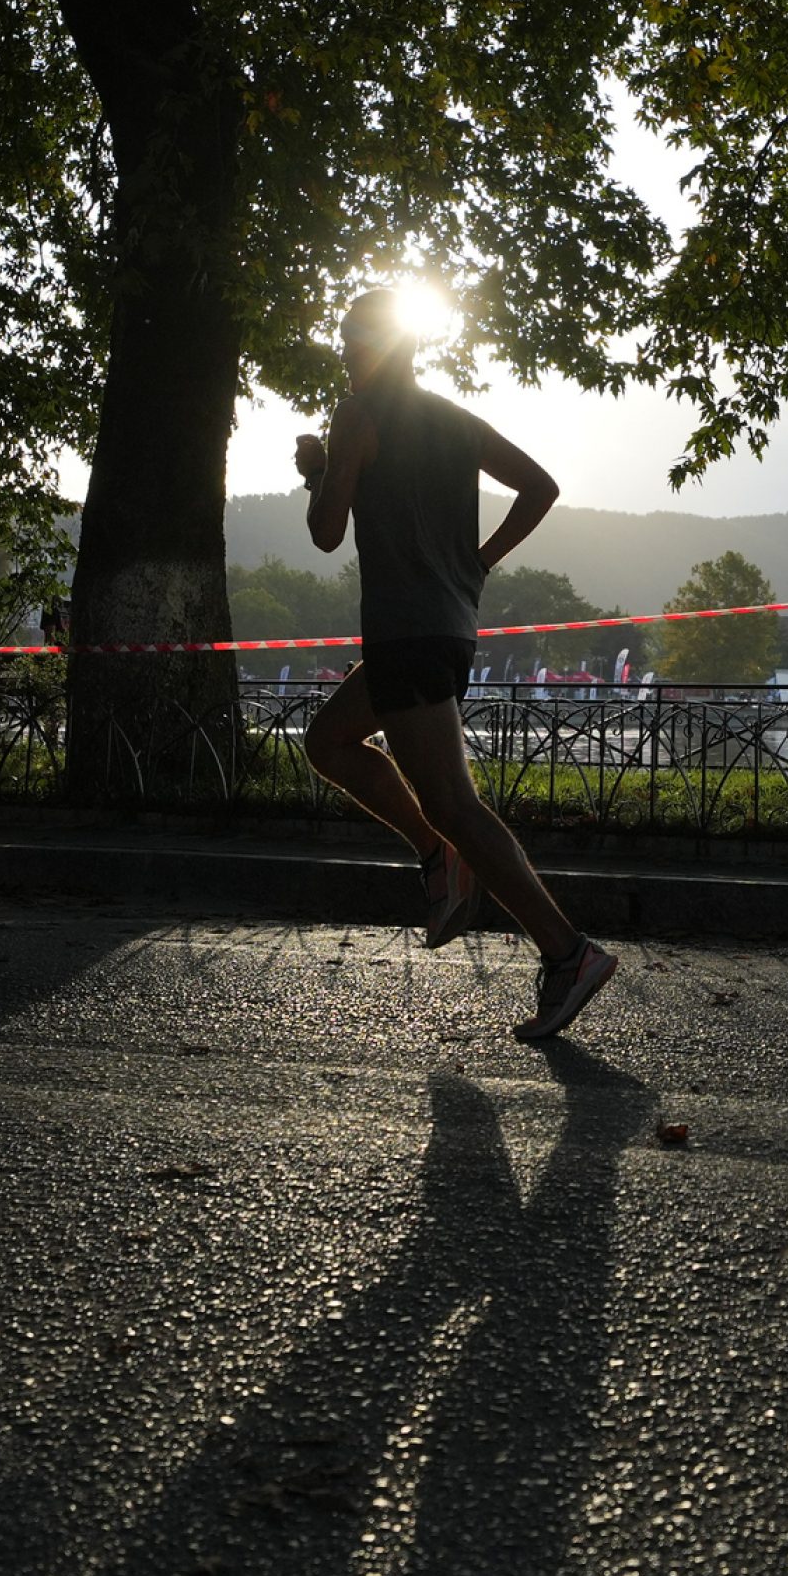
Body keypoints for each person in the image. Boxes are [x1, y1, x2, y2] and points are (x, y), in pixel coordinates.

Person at [295, 286, 617, 1043]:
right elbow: (541, 487)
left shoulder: (357, 414)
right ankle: (441, 858)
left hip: (404, 630)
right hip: (448, 625)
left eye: (349, 340)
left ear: (376, 346)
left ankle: (566, 952)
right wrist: (478, 563)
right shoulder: (454, 419)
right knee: (328, 741)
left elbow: (326, 531)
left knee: (453, 803)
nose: (342, 353)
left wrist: (321, 470)